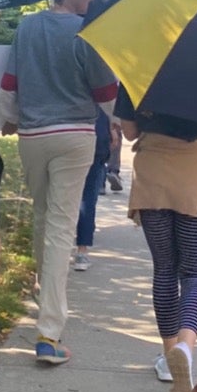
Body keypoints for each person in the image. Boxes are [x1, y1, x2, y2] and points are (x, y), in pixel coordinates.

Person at [0, 0, 118, 365]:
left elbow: (9, 82)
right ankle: (49, 332)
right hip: (75, 137)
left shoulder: (27, 27)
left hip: (32, 135)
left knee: (43, 216)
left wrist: (9, 118)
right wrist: (125, 124)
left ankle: (46, 290)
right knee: (62, 227)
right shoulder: (89, 34)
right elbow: (106, 95)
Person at [114, 85, 197, 392]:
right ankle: (186, 349)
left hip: (153, 172)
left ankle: (168, 352)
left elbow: (129, 132)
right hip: (195, 174)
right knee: (196, 272)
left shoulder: (139, 65)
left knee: (164, 268)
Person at [72, 106, 113, 270]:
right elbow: (108, 100)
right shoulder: (97, 78)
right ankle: (82, 252)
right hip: (94, 135)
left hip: (59, 134)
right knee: (87, 199)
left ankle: (53, 252)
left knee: (58, 198)